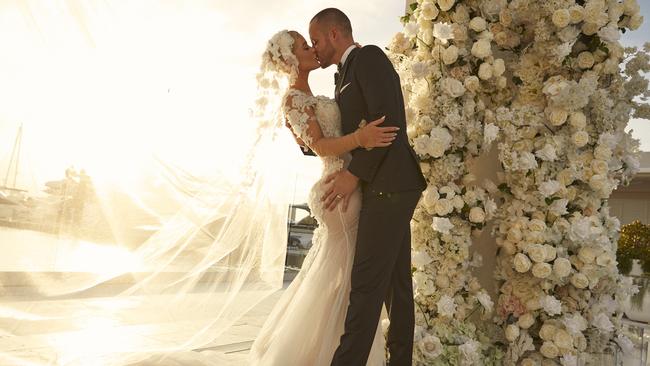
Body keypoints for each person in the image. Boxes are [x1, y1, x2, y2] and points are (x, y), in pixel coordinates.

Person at [248, 27, 400, 365]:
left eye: (313, 42)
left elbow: (316, 140)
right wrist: (361, 138)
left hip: (344, 183)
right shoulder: (293, 98)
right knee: (350, 281)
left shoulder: (310, 93)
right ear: (291, 58)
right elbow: (319, 146)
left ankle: (329, 353)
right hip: (339, 188)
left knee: (343, 279)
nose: (313, 49)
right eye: (306, 45)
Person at [309, 8, 426, 366]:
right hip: (385, 186)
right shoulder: (342, 75)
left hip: (389, 185)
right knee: (396, 288)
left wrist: (354, 174)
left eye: (315, 41)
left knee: (365, 287)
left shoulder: (369, 57)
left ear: (334, 34)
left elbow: (388, 122)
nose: (314, 49)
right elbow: (348, 133)